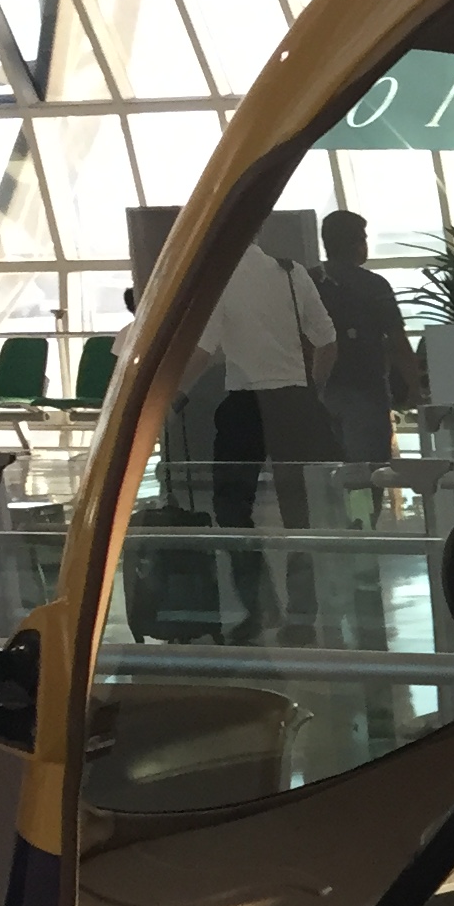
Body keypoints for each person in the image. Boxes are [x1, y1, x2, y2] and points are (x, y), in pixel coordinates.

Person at [187, 242, 336, 640]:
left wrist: (175, 393)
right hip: (293, 401)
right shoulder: (292, 272)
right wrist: (312, 389)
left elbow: (203, 351)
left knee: (232, 506)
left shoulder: (220, 279)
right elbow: (327, 341)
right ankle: (303, 613)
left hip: (245, 404)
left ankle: (259, 605)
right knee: (298, 510)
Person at [312, 211, 409, 464]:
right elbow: (397, 340)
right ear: (356, 244)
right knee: (368, 469)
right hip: (366, 387)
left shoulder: (308, 281)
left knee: (328, 468)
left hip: (319, 390)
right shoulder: (373, 285)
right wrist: (414, 389)